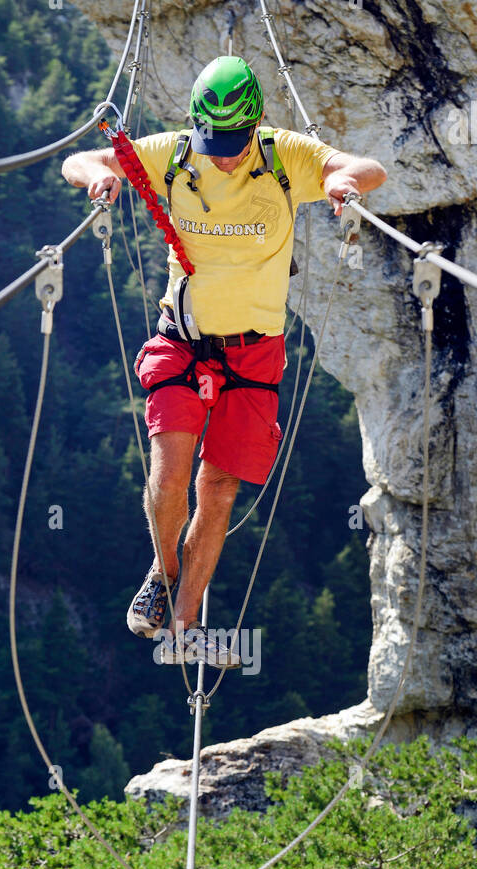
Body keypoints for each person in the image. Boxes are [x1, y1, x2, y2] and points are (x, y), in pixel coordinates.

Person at [62, 55, 387, 664]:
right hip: (182, 341)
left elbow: (368, 167)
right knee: (169, 479)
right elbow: (80, 159)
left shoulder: (286, 155)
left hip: (253, 353)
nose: (225, 154)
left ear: (257, 125)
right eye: (215, 142)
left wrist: (344, 183)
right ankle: (161, 575)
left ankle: (184, 627)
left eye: (235, 143)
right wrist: (96, 179)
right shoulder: (178, 154)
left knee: (217, 490)